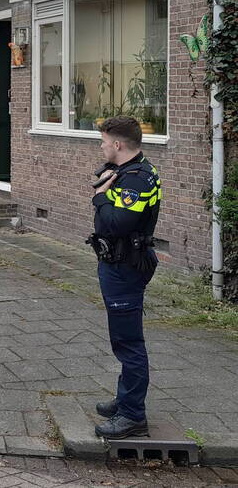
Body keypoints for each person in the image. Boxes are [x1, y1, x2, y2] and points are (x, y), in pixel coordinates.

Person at [88, 116, 162, 440]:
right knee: (122, 340)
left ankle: (133, 415)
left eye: (104, 142)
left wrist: (100, 196)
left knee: (129, 343)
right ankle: (125, 399)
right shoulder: (129, 172)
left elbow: (116, 224)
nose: (101, 146)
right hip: (117, 264)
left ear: (117, 144)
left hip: (125, 269)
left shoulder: (137, 180)